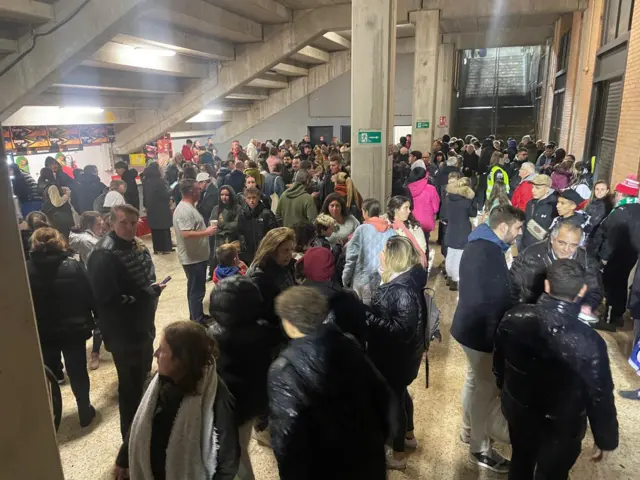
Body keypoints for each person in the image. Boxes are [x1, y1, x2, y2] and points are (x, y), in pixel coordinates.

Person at [494, 259, 619, 480]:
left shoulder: (515, 317)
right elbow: (599, 394)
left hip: (519, 410)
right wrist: (605, 438)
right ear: (582, 291)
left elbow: (500, 362)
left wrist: (503, 389)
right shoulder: (590, 341)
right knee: (553, 472)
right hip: (563, 424)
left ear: (547, 286)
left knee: (521, 460)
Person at [269, 286, 393, 479]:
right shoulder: (349, 343)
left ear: (290, 324)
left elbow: (287, 438)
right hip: (366, 459)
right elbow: (383, 395)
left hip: (322, 468)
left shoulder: (283, 369)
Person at [114, 321, 240, 480]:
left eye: (163, 350)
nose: (155, 353)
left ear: (182, 359)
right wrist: (124, 458)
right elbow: (138, 422)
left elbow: (228, 461)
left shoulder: (216, 397)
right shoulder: (156, 382)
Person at [450, 205, 525, 473]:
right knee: (486, 390)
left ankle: (468, 430)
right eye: (517, 228)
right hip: (481, 334)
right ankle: (479, 449)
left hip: (468, 328)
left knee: (474, 382)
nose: (519, 234)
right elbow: (495, 300)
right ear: (502, 226)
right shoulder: (489, 252)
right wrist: (499, 340)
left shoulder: (479, 243)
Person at [87, 205, 164, 439]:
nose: (130, 228)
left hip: (142, 326)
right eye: (124, 223)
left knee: (142, 380)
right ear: (111, 223)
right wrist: (144, 294)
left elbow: (143, 279)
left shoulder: (135, 246)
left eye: (133, 223)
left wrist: (151, 292)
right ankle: (129, 441)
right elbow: (106, 300)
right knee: (129, 389)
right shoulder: (103, 254)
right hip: (122, 333)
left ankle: (143, 432)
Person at [209, 276, 282, 479]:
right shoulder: (266, 331)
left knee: (236, 451)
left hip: (231, 404)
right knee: (240, 445)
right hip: (257, 398)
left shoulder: (212, 336)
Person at [365, 236, 427, 469]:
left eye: (383, 251)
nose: (380, 253)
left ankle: (397, 453)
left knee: (394, 401)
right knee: (400, 394)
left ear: (394, 257)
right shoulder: (406, 280)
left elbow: (399, 330)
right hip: (404, 356)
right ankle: (409, 436)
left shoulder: (401, 290)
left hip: (396, 357)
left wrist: (367, 315)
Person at [27, 227, 97, 427]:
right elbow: (89, 294)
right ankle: (84, 409)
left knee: (47, 374)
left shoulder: (26, 269)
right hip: (73, 329)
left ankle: (52, 416)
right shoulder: (73, 266)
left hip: (43, 330)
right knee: (77, 370)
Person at [510, 223, 603, 319]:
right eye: (561, 243)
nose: (566, 249)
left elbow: (595, 290)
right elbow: (513, 287)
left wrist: (587, 305)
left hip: (571, 315)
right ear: (552, 239)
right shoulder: (530, 256)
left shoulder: (587, 261)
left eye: (573, 245)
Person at [593, 174, 640, 329]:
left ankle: (610, 318)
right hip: (631, 254)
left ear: (620, 194)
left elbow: (611, 237)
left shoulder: (620, 212)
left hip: (615, 255)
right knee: (621, 282)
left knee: (611, 286)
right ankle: (618, 315)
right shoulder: (637, 209)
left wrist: (604, 257)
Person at [173, 180, 216, 324]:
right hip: (193, 258)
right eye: (198, 189)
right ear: (192, 192)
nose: (201, 191)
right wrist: (206, 232)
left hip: (197, 256)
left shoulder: (189, 207)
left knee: (194, 289)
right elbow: (186, 234)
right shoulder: (185, 210)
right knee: (196, 291)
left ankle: (196, 315)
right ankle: (197, 319)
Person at [342, 199, 395, 304]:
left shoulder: (361, 230)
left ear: (365, 212)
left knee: (365, 309)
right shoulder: (392, 231)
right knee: (378, 309)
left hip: (363, 281)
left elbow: (351, 257)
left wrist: (345, 277)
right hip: (384, 281)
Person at [246, 227, 296, 328]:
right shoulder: (259, 276)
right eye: (285, 250)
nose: (290, 255)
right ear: (272, 251)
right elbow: (265, 314)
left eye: (291, 249)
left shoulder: (283, 265)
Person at [441, 177, 477, 291]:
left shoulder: (449, 199)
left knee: (450, 254)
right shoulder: (466, 202)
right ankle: (455, 281)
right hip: (462, 231)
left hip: (451, 229)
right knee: (459, 257)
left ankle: (450, 277)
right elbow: (473, 213)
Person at [237, 187, 279, 265]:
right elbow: (240, 231)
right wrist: (243, 245)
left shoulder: (266, 213)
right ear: (245, 199)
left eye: (254, 197)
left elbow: (274, 232)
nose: (251, 201)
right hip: (248, 254)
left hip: (264, 252)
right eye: (249, 198)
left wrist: (268, 247)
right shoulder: (242, 214)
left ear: (258, 198)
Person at [142, 162, 174, 254]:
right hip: (162, 208)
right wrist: (172, 189)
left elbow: (144, 196)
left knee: (155, 230)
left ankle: (157, 248)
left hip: (151, 209)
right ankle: (166, 248)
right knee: (164, 228)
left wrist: (146, 206)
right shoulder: (160, 181)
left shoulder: (146, 181)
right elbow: (164, 194)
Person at [387, 195, 427, 266]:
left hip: (412, 263)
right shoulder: (386, 225)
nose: (409, 211)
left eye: (409, 208)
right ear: (396, 210)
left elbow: (422, 246)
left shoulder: (414, 226)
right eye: (406, 208)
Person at [209, 186, 240, 276]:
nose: (224, 197)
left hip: (232, 240)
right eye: (222, 194)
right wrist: (224, 227)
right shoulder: (216, 209)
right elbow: (212, 225)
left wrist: (223, 223)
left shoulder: (237, 208)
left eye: (227, 195)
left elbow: (235, 225)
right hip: (219, 241)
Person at [521, 174, 558, 249]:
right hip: (524, 247)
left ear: (547, 189)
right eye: (532, 187)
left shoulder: (554, 207)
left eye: (537, 188)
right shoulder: (530, 203)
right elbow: (525, 224)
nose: (532, 190)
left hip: (540, 250)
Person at [40, 167, 74, 239]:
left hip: (54, 216)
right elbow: (57, 203)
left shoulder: (44, 185)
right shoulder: (52, 187)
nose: (55, 173)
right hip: (60, 217)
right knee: (65, 236)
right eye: (53, 172)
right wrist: (66, 195)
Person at [406, 167, 440, 240]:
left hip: (410, 220)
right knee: (424, 242)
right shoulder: (431, 189)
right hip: (426, 221)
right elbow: (436, 208)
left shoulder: (407, 188)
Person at [585, 180, 614, 255]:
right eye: (597, 189)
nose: (599, 192)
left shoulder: (603, 205)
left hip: (593, 238)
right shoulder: (594, 202)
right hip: (590, 236)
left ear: (607, 191)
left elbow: (594, 223)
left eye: (602, 189)